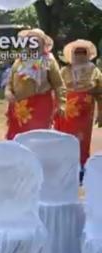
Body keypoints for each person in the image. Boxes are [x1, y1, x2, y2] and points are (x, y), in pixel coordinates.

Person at [4, 28, 66, 140]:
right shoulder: (19, 60)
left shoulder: (49, 60)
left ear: (43, 43)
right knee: (18, 140)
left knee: (37, 140)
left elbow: (58, 84)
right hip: (19, 108)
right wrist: (8, 92)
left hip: (41, 106)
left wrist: (61, 103)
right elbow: (10, 82)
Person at [54, 39, 102, 181]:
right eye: (77, 52)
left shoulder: (94, 70)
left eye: (83, 52)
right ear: (71, 54)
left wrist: (101, 112)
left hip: (85, 111)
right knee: (65, 138)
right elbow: (57, 89)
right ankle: (66, 166)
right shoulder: (64, 70)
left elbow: (100, 92)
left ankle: (82, 167)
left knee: (82, 139)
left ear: (88, 54)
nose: (80, 55)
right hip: (66, 110)